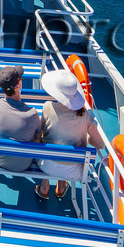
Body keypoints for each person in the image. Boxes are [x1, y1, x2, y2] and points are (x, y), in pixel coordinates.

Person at [40, 68, 99, 200]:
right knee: (67, 144)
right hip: (74, 170)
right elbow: (100, 144)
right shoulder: (86, 116)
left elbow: (41, 133)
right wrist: (86, 137)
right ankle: (61, 187)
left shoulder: (48, 107)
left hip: (47, 164)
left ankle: (44, 186)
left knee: (48, 141)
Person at [0, 64, 43, 179]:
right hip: (22, 165)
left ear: (0, 85)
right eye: (21, 79)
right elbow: (37, 142)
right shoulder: (32, 114)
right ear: (17, 86)